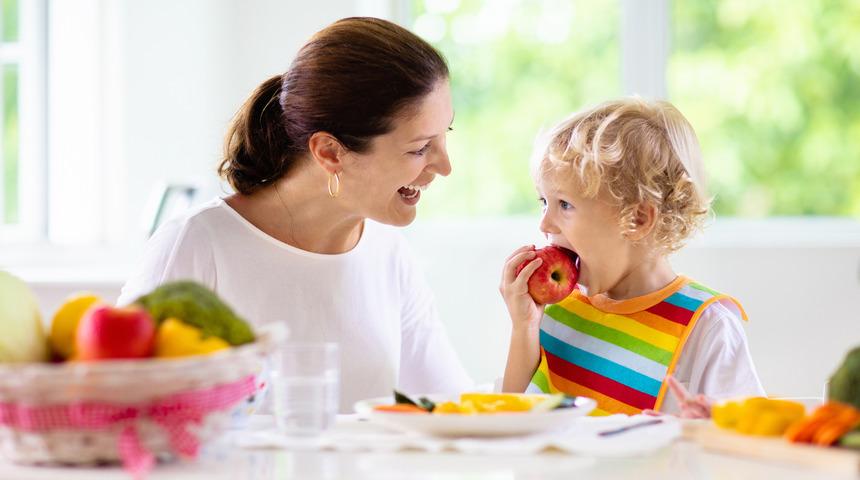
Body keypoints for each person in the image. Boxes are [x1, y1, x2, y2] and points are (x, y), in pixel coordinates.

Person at [118, 17, 472, 411]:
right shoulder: (199, 244)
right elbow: (119, 410)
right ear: (330, 152)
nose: (444, 167)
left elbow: (450, 413)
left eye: (445, 136)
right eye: (420, 148)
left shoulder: (389, 254)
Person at [499, 98, 764, 416]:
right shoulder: (559, 308)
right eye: (544, 201)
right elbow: (514, 420)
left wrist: (703, 428)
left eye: (565, 205)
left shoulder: (707, 327)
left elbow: (745, 435)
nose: (544, 223)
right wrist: (524, 327)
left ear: (637, 220)